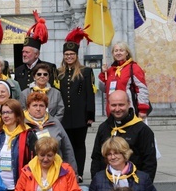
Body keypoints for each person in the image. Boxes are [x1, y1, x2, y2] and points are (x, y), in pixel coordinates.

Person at [84, 137, 162, 191]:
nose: (113, 157)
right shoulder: (99, 178)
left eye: (116, 153)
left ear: (125, 154)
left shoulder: (142, 177)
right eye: (109, 154)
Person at [90, 90, 158, 180]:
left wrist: (142, 187)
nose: (117, 109)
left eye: (121, 105)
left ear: (129, 104)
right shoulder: (103, 128)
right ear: (108, 105)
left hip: (133, 183)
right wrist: (96, 183)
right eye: (113, 105)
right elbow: (96, 158)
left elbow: (150, 163)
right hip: (106, 183)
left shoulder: (142, 130)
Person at [58, 28, 96, 181]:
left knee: (79, 145)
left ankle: (79, 172)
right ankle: (68, 172)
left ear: (76, 55)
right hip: (64, 116)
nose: (69, 57)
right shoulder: (59, 72)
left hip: (80, 115)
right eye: (66, 54)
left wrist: (90, 115)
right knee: (66, 146)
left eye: (72, 54)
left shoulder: (85, 71)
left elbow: (90, 93)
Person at [0, 99, 37, 191]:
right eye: (3, 112)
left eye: (9, 112)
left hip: (20, 187)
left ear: (17, 114)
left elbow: (34, 161)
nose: (5, 116)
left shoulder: (29, 134)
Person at [24, 92, 77, 174]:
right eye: (34, 105)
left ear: (46, 107)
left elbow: (67, 149)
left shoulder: (55, 122)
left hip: (55, 169)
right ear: (28, 107)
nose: (38, 109)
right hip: (31, 171)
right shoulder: (22, 124)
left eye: (41, 105)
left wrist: (74, 173)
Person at [98, 41, 150, 118]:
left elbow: (142, 89)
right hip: (112, 112)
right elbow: (103, 89)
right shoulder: (110, 70)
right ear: (113, 54)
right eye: (116, 51)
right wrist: (103, 73)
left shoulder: (134, 68)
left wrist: (143, 109)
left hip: (129, 110)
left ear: (127, 53)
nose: (118, 53)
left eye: (121, 50)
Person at [14, 14, 56, 89]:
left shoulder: (49, 67)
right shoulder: (18, 70)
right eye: (23, 52)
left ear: (36, 54)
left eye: (27, 52)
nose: (24, 54)